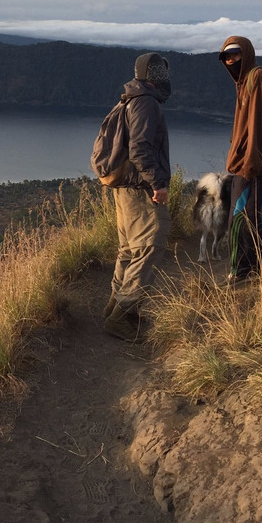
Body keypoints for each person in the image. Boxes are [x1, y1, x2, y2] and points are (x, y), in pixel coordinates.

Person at [102, 52, 172, 341]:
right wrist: (157, 183)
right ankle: (122, 316)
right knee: (150, 246)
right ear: (152, 76)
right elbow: (140, 149)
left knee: (130, 249)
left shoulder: (130, 97)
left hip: (126, 187)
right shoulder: (145, 102)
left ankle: (115, 307)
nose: (164, 78)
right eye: (160, 72)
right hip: (139, 189)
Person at [218, 36, 262, 285]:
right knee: (248, 216)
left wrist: (250, 164)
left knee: (240, 217)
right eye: (226, 57)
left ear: (247, 54)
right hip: (246, 162)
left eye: (235, 55)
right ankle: (261, 269)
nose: (230, 60)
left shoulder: (259, 78)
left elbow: (260, 126)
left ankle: (240, 272)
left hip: (257, 164)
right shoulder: (243, 81)